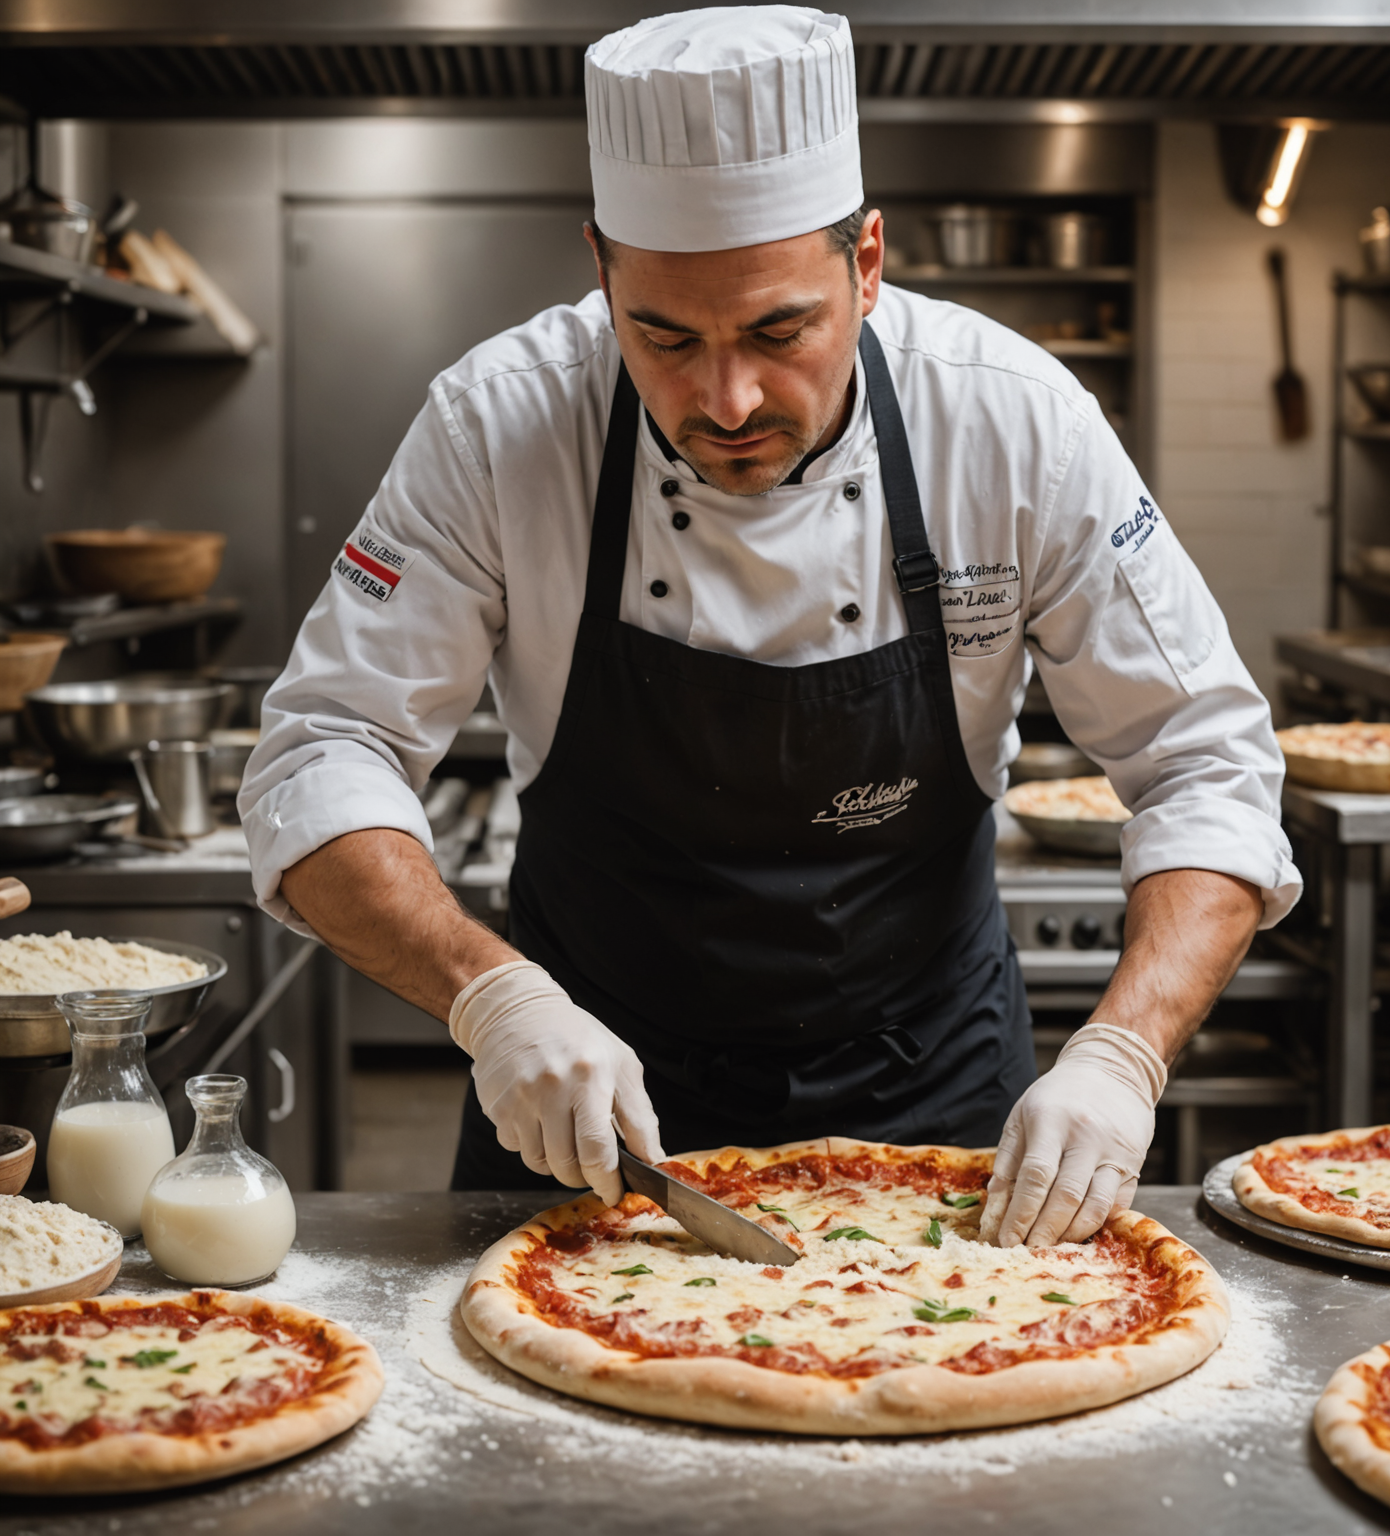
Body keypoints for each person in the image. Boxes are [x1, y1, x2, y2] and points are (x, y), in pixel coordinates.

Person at [240, 5, 1301, 1249]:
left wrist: (1125, 1051)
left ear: (867, 265)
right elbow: (321, 753)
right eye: (666, 338)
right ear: (601, 272)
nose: (727, 398)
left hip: (938, 1092)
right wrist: (493, 1001)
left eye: (778, 331)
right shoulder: (498, 426)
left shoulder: (1016, 426)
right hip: (593, 1110)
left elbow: (1207, 762)